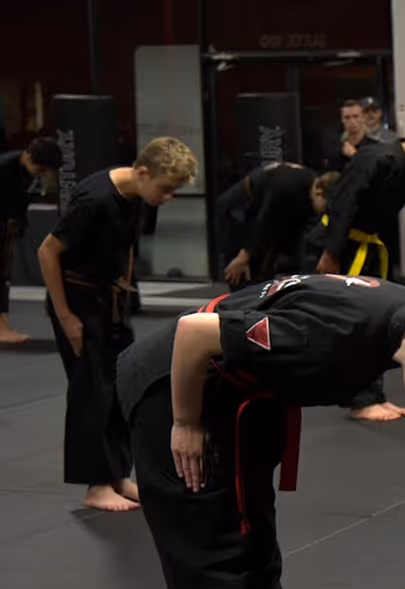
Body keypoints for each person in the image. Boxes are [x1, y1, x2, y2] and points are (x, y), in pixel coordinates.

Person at [116, 274, 405, 589]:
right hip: (176, 385)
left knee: (253, 538)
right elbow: (196, 332)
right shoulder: (329, 336)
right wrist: (186, 422)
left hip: (244, 398)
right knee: (210, 544)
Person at [37, 136, 197, 512]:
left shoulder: (138, 196)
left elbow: (126, 243)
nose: (168, 197)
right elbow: (47, 251)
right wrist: (66, 318)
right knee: (91, 392)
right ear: (143, 172)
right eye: (166, 189)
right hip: (77, 302)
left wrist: (125, 285)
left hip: (110, 301)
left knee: (122, 387)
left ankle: (117, 475)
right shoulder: (94, 199)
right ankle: (94, 486)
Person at [317, 112, 405, 422]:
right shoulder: (377, 158)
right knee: (354, 323)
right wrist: (331, 252)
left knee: (378, 320)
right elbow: (343, 204)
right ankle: (358, 399)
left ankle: (374, 395)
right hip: (337, 245)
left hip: (365, 246)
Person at [217, 162, 338, 291]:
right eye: (325, 207)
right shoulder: (287, 185)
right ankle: (239, 295)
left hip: (266, 211)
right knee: (243, 267)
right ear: (319, 192)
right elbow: (263, 221)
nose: (323, 212)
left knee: (273, 260)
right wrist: (244, 256)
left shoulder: (308, 188)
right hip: (241, 206)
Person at [0, 136, 62, 343]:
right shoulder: (5, 169)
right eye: (40, 169)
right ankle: (1, 326)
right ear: (28, 156)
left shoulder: (24, 170)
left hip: (10, 222)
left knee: (3, 276)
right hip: (5, 221)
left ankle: (2, 324)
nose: (42, 173)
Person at [325, 99, 377, 173]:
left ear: (363, 118)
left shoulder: (375, 147)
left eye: (355, 116)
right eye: (347, 117)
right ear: (342, 120)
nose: (352, 121)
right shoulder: (335, 149)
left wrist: (355, 156)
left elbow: (375, 173)